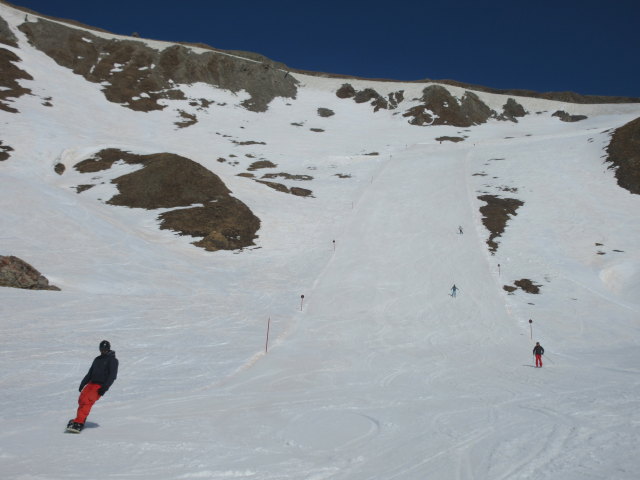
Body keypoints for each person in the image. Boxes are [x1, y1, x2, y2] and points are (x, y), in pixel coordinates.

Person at [67, 340, 118, 432]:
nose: (103, 352)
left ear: (108, 349)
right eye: (102, 350)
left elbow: (112, 376)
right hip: (91, 383)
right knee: (81, 399)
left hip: (100, 385)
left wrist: (105, 388)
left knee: (87, 402)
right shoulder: (97, 359)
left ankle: (79, 421)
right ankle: (79, 418)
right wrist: (83, 383)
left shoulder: (113, 360)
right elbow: (90, 373)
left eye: (105, 350)